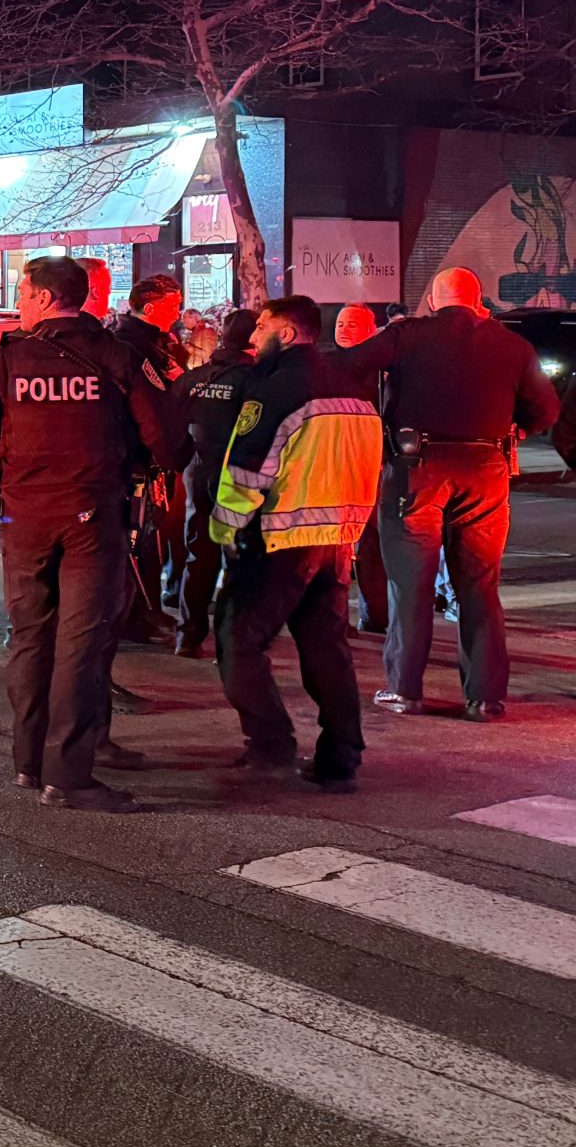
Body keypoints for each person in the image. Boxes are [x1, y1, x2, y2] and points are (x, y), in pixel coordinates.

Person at [0, 254, 178, 812]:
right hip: (92, 518)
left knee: (30, 639)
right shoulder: (118, 357)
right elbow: (170, 442)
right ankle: (68, 775)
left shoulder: (6, 360)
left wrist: (1, 456)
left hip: (25, 519)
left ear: (47, 298)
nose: (19, 304)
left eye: (24, 294)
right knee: (81, 643)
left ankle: (29, 762)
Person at [340, 265, 558, 721]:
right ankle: (486, 698)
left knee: (410, 584)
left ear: (433, 301)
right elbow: (546, 410)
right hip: (485, 469)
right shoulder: (511, 344)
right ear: (478, 302)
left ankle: (405, 690)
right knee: (479, 585)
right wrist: (515, 427)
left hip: (417, 469)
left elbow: (348, 365)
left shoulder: (407, 335)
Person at [208, 296, 383, 793]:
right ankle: (340, 757)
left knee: (237, 637)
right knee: (326, 647)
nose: (252, 336)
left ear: (286, 334)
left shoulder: (277, 391)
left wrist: (225, 530)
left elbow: (247, 470)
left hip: (282, 539)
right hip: (338, 540)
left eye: (262, 326)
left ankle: (270, 747)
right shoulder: (352, 390)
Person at [107, 275, 188, 645]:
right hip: (139, 461)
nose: (178, 314)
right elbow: (152, 411)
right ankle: (140, 616)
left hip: (146, 459)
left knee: (149, 541)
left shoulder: (152, 343)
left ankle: (147, 612)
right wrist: (168, 455)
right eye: (173, 306)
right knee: (142, 543)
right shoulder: (133, 347)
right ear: (151, 308)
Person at [172, 308, 258, 656]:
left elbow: (169, 420)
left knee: (199, 552)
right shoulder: (257, 380)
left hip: (197, 469)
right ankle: (235, 641)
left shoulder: (195, 378)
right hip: (238, 472)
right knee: (239, 556)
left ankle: (188, 635)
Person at [331, 303, 391, 637]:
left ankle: (375, 614)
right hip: (334, 464)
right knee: (333, 545)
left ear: (371, 331)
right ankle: (334, 617)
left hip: (372, 465)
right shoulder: (323, 367)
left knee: (371, 543)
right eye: (340, 324)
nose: (343, 330)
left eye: (353, 325)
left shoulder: (384, 372)